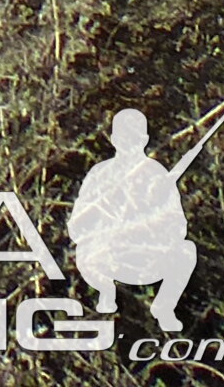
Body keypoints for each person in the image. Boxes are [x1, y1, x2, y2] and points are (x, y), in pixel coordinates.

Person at [69, 108, 202, 330]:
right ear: (113, 140)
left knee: (186, 251)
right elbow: (77, 228)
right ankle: (106, 292)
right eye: (124, 138)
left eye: (135, 138)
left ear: (145, 140)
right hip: (108, 256)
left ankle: (164, 307)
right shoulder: (100, 175)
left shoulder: (156, 174)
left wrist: (150, 222)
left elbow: (179, 227)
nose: (130, 144)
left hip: (146, 257)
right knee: (84, 253)